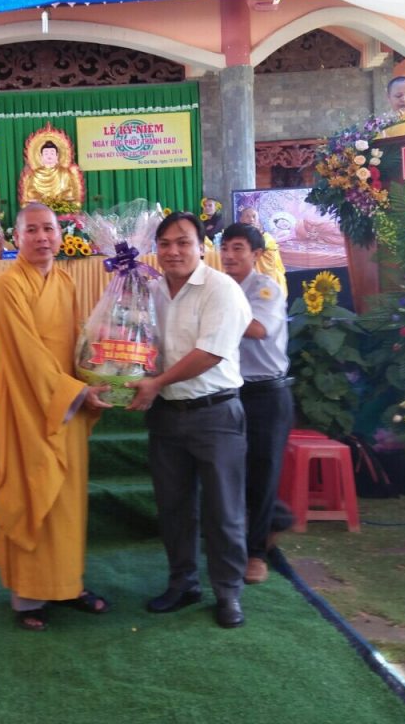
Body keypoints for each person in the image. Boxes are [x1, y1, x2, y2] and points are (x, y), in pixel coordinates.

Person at [0, 202, 112, 632]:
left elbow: (75, 343)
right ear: (17, 237)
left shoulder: (65, 281)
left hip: (66, 405)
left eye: (49, 229)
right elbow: (27, 355)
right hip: (28, 406)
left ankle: (67, 584)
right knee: (33, 492)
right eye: (33, 230)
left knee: (67, 501)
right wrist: (76, 392)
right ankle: (28, 597)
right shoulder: (8, 286)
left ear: (61, 234)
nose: (42, 237)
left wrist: (99, 371)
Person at [126, 212, 252, 629]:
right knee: (174, 508)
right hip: (167, 415)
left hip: (215, 414)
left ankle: (228, 592)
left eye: (183, 242)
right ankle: (183, 583)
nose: (173, 251)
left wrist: (156, 382)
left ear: (202, 246)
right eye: (164, 243)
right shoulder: (150, 291)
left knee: (224, 510)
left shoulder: (221, 289)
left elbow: (210, 353)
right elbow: (134, 341)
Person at [220, 223, 294, 586]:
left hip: (267, 394)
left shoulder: (266, 288)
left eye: (238, 248)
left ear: (256, 254)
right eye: (224, 248)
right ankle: (271, 523)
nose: (229, 256)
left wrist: (211, 311)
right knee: (232, 471)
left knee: (263, 473)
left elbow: (258, 329)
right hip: (231, 392)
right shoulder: (221, 288)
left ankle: (257, 554)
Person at [18, 134, 84, 206]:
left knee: (73, 199)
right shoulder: (36, 173)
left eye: (52, 153)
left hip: (60, 201)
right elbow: (31, 191)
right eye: (46, 153)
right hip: (41, 202)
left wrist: (60, 197)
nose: (49, 156)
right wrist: (41, 197)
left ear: (57, 156)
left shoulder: (64, 172)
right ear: (41, 156)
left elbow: (69, 189)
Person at [236, 206, 287, 296]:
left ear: (258, 220)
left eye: (254, 216)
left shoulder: (267, 238)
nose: (251, 219)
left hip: (269, 283)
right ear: (241, 219)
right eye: (247, 216)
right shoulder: (237, 239)